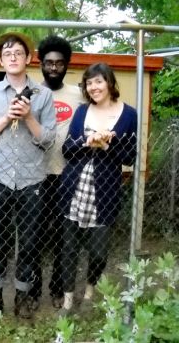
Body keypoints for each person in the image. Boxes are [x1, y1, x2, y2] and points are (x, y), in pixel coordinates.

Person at [0, 32, 56, 319]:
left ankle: (22, 296)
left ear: (28, 58)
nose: (12, 57)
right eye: (7, 53)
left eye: (18, 52)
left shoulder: (43, 95)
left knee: (30, 242)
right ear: (0, 60)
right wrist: (7, 117)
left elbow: (48, 140)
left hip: (32, 178)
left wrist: (30, 117)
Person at [57, 63, 137, 316]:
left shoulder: (129, 115)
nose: (93, 87)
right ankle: (68, 301)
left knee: (99, 252)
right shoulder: (82, 112)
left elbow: (130, 157)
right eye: (89, 83)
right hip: (74, 188)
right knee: (69, 248)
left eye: (98, 81)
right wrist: (87, 142)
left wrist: (105, 146)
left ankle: (89, 292)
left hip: (105, 191)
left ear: (110, 83)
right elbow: (67, 150)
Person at [29, 35, 84, 310]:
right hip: (38, 175)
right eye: (48, 62)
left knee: (65, 236)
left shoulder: (78, 94)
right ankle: (34, 290)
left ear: (66, 65)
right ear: (41, 64)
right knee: (35, 236)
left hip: (68, 174)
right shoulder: (33, 93)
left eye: (59, 63)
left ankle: (58, 288)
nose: (53, 67)